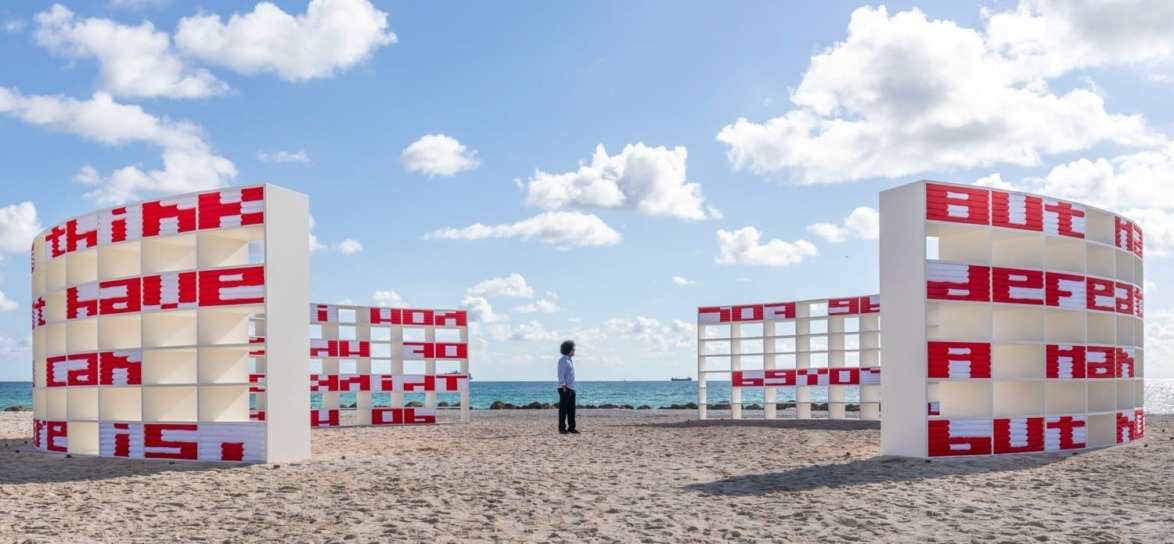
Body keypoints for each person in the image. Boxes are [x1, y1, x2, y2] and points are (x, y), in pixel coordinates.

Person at [556, 339, 578, 434]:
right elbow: (560, 374)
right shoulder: (563, 360)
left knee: (571, 410)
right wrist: (563, 385)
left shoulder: (569, 360)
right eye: (573, 349)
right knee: (563, 409)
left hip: (571, 388)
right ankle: (562, 428)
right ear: (569, 349)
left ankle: (571, 427)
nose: (574, 350)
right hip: (565, 388)